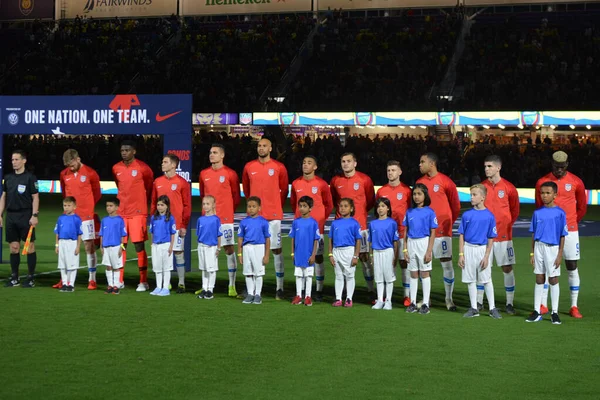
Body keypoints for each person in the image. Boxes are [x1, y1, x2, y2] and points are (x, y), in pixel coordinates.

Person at [534, 151, 586, 319]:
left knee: (571, 266)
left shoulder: (576, 182)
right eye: (556, 167)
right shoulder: (542, 182)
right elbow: (539, 205)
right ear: (552, 165)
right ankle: (543, 304)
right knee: (547, 267)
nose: (559, 170)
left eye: (562, 167)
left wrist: (571, 222)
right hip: (549, 232)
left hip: (570, 230)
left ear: (567, 165)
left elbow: (582, 207)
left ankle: (573, 306)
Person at [242, 138, 288, 300]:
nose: (261, 148)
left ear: (270, 148)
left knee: (276, 250)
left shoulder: (278, 167)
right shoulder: (249, 166)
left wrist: (275, 206)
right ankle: (251, 288)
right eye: (259, 146)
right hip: (255, 217)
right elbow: (247, 190)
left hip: (273, 215)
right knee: (251, 249)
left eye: (264, 146)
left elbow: (283, 190)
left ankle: (279, 287)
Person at [416, 153, 460, 311]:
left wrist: (447, 223)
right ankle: (427, 299)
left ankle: (449, 299)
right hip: (423, 233)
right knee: (424, 265)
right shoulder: (419, 182)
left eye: (423, 162)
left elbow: (455, 206)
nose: (419, 165)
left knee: (446, 263)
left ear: (432, 163)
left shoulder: (445, 181)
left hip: (442, 231)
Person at [330, 153, 375, 302]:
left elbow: (370, 201)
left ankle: (370, 290)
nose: (345, 164)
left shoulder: (365, 179)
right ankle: (342, 292)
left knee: (364, 257)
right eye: (343, 161)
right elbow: (335, 201)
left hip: (359, 226)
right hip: (341, 228)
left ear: (355, 163)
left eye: (349, 161)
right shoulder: (336, 180)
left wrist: (359, 214)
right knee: (340, 259)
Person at [54, 149, 101, 290]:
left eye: (72, 165)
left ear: (78, 159)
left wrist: (87, 207)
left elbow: (97, 193)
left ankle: (92, 279)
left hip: (86, 216)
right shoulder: (64, 174)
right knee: (65, 248)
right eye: (68, 165)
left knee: (88, 246)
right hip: (69, 217)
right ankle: (64, 279)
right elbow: (65, 194)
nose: (70, 168)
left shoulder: (91, 173)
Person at [199, 144, 241, 297]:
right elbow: (204, 195)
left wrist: (227, 211)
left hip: (225, 218)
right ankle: (207, 286)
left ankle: (231, 285)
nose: (212, 155)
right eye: (210, 152)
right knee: (206, 250)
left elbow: (236, 197)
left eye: (215, 153)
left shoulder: (230, 174)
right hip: (208, 220)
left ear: (222, 155)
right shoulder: (204, 174)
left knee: (228, 249)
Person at [290, 155, 333, 301]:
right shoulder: (296, 183)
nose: (305, 165)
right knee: (300, 255)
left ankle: (319, 289)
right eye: (303, 162)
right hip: (300, 228)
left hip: (316, 228)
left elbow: (329, 205)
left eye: (309, 163)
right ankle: (301, 292)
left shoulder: (321, 184)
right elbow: (293, 203)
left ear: (315, 167)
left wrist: (320, 219)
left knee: (318, 257)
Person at [112, 140, 154, 290]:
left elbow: (149, 187)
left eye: (127, 150)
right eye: (122, 150)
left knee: (138, 245)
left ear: (134, 151)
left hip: (138, 213)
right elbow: (120, 185)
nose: (124, 152)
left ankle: (143, 281)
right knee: (120, 246)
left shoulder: (143, 168)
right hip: (122, 213)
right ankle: (120, 280)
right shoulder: (116, 168)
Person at [481, 155, 520, 314]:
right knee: (483, 268)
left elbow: (515, 211)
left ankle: (509, 303)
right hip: (484, 237)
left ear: (498, 168)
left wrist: (505, 225)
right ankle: (479, 302)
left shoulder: (509, 188)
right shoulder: (481, 187)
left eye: (489, 166)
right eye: (485, 166)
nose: (486, 169)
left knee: (507, 267)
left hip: (504, 236)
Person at [458, 184, 501, 319]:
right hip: (468, 248)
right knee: (470, 280)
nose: (471, 197)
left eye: (474, 195)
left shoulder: (489, 216)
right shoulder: (466, 215)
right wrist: (461, 254)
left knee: (486, 279)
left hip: (482, 250)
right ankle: (474, 308)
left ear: (483, 197)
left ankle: (492, 308)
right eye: (471, 195)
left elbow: (491, 238)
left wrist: (487, 256)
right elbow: (461, 235)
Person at [527, 182, 568, 325]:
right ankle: (537, 311)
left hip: (553, 249)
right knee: (539, 278)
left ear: (555, 195)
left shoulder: (560, 213)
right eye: (542, 193)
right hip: (539, 247)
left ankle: (554, 312)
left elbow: (563, 235)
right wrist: (532, 253)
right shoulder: (537, 213)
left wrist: (559, 254)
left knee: (553, 279)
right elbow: (533, 234)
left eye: (548, 193)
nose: (544, 196)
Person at [150, 154, 192, 294]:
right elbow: (153, 203)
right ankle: (163, 284)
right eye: (162, 162)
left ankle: (181, 283)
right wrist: (152, 221)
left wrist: (184, 225)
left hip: (177, 225)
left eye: (165, 162)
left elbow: (187, 205)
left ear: (173, 165)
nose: (162, 164)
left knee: (178, 252)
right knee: (162, 254)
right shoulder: (157, 182)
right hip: (161, 226)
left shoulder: (182, 182)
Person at [0, 150, 40, 288]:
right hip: (11, 216)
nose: (14, 162)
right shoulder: (8, 178)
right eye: (12, 160)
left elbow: (35, 197)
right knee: (14, 248)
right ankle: (14, 277)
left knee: (29, 247)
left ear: (24, 161)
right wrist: (0, 214)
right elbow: (3, 196)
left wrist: (34, 215)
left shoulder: (30, 178)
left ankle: (30, 278)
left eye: (17, 159)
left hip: (25, 215)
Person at [375, 160, 412, 306]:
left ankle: (406, 295)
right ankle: (382, 296)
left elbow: (411, 212)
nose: (390, 173)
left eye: (393, 170)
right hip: (385, 235)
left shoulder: (407, 191)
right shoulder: (381, 191)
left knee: (403, 262)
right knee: (384, 264)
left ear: (400, 172)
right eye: (388, 170)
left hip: (402, 232)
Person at [403, 183, 437, 315]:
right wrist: (405, 249)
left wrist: (429, 250)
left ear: (425, 195)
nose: (416, 197)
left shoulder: (430, 212)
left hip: (424, 243)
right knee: (413, 273)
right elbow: (405, 231)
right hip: (411, 243)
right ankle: (412, 302)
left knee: (425, 273)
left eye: (419, 194)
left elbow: (433, 232)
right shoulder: (409, 212)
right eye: (414, 194)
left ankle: (425, 303)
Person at [329, 198, 362, 308]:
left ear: (351, 208)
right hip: (337, 251)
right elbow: (331, 239)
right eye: (341, 206)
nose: (342, 208)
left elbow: (358, 240)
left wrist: (356, 255)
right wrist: (330, 254)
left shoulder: (355, 223)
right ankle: (338, 298)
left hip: (348, 251)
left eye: (345, 206)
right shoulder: (335, 223)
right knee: (338, 276)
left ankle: (349, 298)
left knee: (349, 275)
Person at [237, 196, 271, 305]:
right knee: (248, 272)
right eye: (249, 206)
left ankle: (258, 294)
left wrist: (266, 255)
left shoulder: (264, 222)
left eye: (254, 206)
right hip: (247, 248)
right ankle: (250, 294)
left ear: (259, 208)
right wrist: (240, 253)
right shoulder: (243, 222)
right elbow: (240, 238)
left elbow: (267, 239)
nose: (251, 208)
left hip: (259, 247)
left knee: (258, 273)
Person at [289, 196, 321, 307]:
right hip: (298, 253)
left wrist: (313, 255)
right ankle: (298, 295)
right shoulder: (296, 222)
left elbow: (316, 240)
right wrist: (293, 253)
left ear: (310, 208)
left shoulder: (313, 223)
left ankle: (308, 296)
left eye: (304, 206)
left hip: (308, 254)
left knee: (308, 276)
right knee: (298, 275)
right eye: (300, 206)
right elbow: (293, 238)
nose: (302, 208)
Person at [369, 198, 399, 311]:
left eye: (382, 206)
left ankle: (388, 301)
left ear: (388, 208)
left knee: (389, 277)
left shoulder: (392, 223)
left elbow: (395, 241)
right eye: (378, 206)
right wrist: (371, 255)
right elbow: (370, 241)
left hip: (388, 252)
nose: (380, 208)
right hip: (377, 253)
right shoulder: (372, 224)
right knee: (379, 277)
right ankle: (380, 300)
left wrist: (395, 257)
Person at [98, 198, 128, 295]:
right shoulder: (104, 220)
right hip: (106, 247)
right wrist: (101, 246)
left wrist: (121, 247)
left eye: (111, 206)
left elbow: (123, 235)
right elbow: (101, 234)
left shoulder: (120, 220)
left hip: (116, 246)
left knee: (116, 267)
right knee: (108, 266)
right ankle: (110, 285)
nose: (108, 208)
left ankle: (116, 286)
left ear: (116, 207)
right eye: (107, 206)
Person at [149, 195, 177, 297]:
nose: (159, 207)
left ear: (167, 206)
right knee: (157, 267)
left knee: (166, 267)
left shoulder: (170, 218)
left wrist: (171, 246)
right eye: (158, 205)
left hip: (166, 245)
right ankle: (158, 287)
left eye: (162, 205)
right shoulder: (153, 218)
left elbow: (172, 233)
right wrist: (152, 244)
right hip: (156, 245)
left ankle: (165, 288)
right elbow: (151, 232)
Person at [195, 195, 222, 300]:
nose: (205, 206)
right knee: (204, 268)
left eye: (208, 204)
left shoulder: (216, 220)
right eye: (204, 204)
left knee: (211, 269)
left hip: (211, 247)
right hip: (201, 246)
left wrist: (218, 248)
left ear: (213, 205)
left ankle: (210, 289)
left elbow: (219, 235)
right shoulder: (200, 219)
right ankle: (204, 288)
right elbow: (199, 234)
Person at [54, 196, 83, 292]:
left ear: (74, 206)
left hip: (72, 243)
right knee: (62, 264)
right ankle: (65, 283)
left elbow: (79, 234)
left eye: (69, 205)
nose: (66, 207)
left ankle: (71, 284)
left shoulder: (77, 219)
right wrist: (57, 245)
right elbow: (57, 233)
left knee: (72, 264)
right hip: (62, 243)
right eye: (64, 205)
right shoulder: (60, 218)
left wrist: (78, 246)